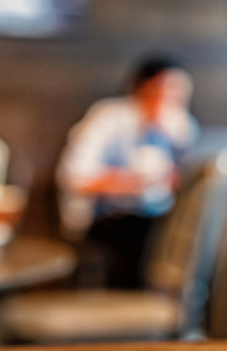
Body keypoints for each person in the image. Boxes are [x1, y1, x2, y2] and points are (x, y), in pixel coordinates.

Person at [56, 57, 199, 288]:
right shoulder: (108, 118)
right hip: (106, 219)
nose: (174, 101)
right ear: (141, 88)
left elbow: (181, 179)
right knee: (145, 238)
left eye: (180, 95)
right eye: (166, 91)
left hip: (158, 218)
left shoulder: (181, 127)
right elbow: (73, 177)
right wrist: (131, 184)